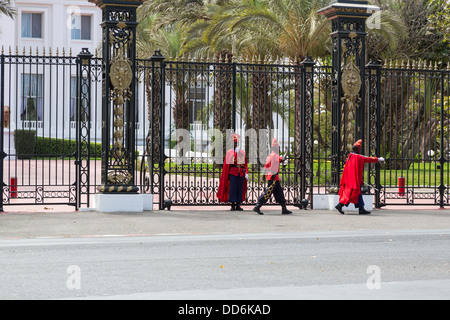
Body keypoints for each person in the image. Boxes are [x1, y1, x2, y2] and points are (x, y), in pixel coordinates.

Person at [335, 139, 384, 215]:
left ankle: (361, 208)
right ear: (358, 149)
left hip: (349, 178)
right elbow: (368, 159)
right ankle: (340, 205)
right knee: (351, 194)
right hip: (353, 180)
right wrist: (378, 159)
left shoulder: (351, 156)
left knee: (357, 194)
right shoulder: (357, 157)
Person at [253, 138, 292, 215]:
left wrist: (263, 178)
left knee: (279, 193)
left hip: (272, 177)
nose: (280, 149)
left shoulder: (270, 155)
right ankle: (257, 206)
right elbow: (283, 159)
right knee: (267, 193)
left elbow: (265, 167)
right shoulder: (275, 155)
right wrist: (287, 151)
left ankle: (284, 209)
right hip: (273, 178)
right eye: (279, 148)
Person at [217, 133, 249, 211]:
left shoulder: (241, 152)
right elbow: (230, 163)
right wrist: (235, 153)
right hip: (233, 173)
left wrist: (246, 172)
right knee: (233, 189)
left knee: (240, 189)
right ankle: (232, 205)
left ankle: (238, 204)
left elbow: (244, 163)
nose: (235, 144)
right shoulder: (230, 152)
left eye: (236, 143)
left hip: (240, 173)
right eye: (234, 143)